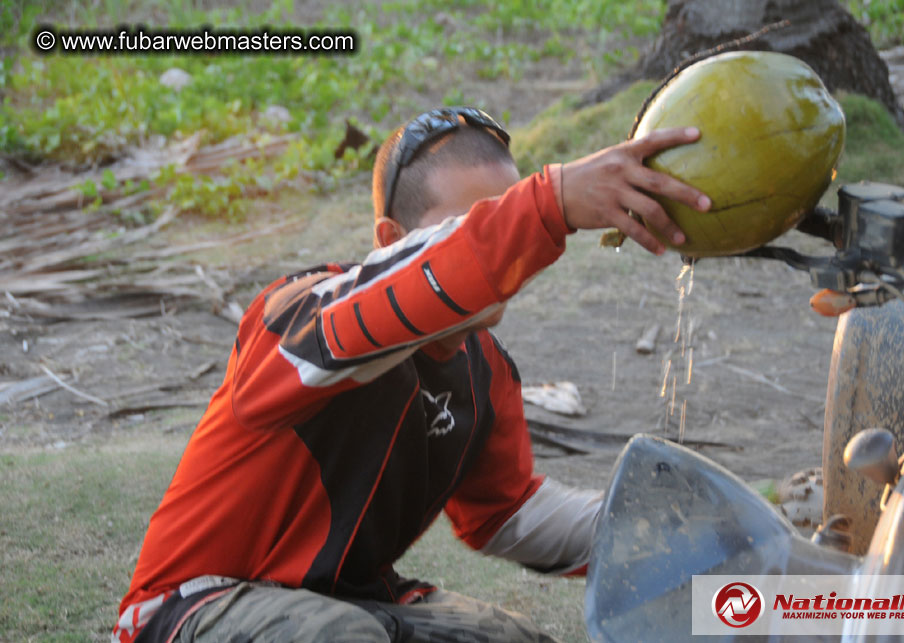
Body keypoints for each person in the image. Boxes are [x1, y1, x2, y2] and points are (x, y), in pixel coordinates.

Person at [113, 107, 710, 643]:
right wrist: (549, 201)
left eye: (501, 215)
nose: (500, 245)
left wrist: (660, 532)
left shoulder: (486, 368)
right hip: (190, 609)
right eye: (469, 225)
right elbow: (390, 301)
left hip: (352, 604)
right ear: (390, 241)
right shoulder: (300, 316)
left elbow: (506, 513)